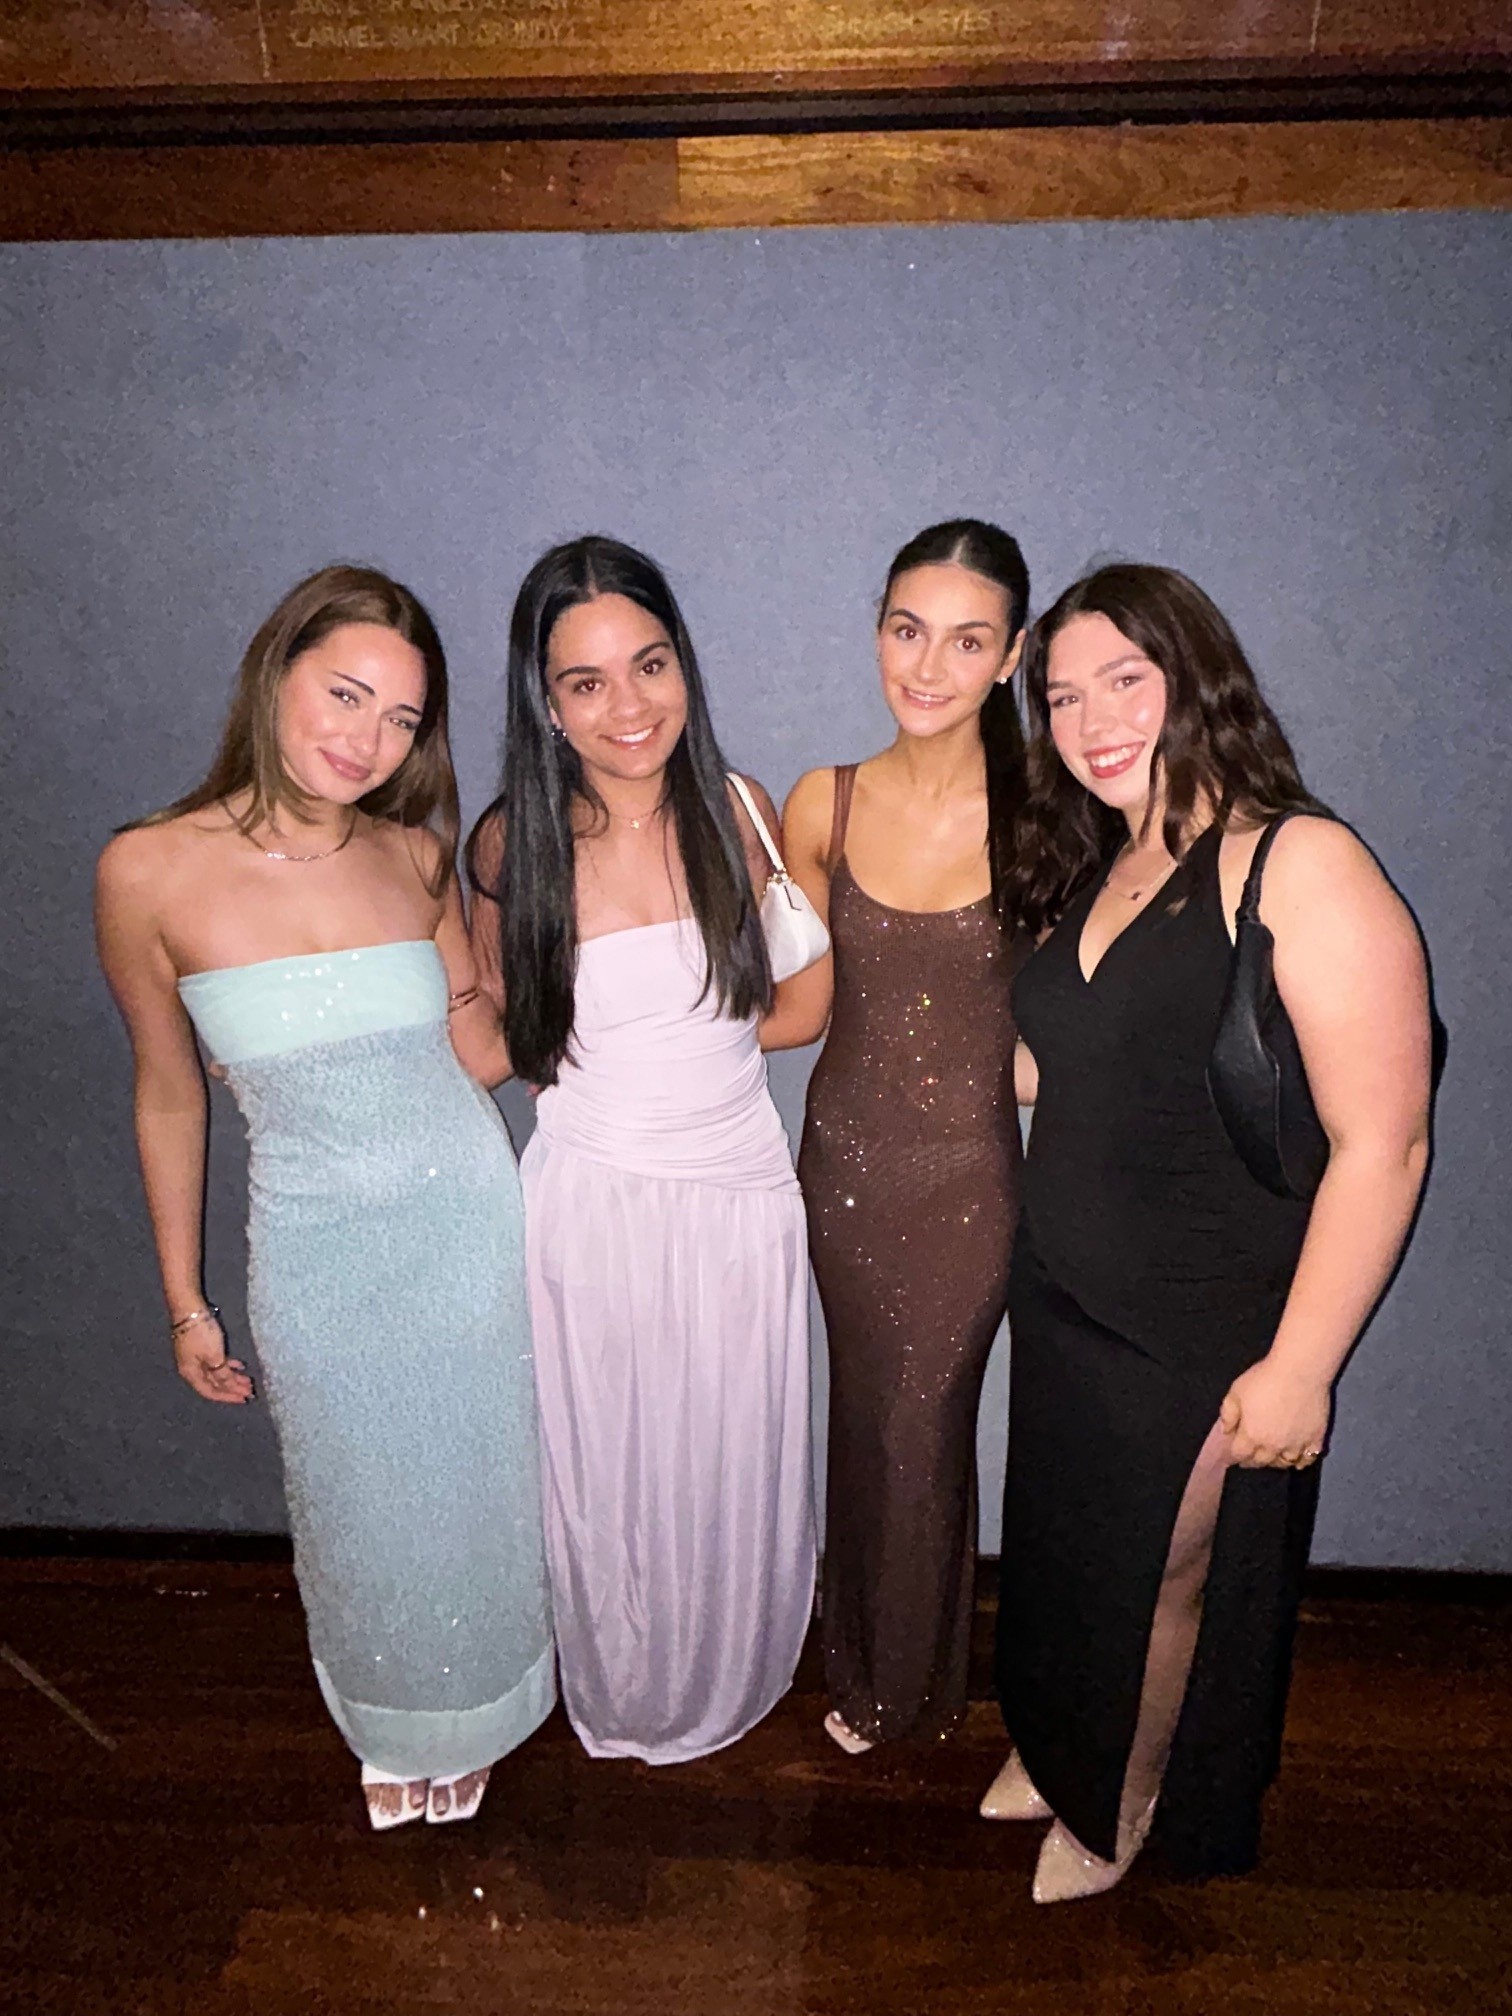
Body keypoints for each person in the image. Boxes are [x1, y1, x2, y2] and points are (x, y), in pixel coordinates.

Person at [982, 563, 1432, 1899]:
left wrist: (1302, 1368)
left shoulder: (1302, 862)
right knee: (1066, 1555)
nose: (1093, 720)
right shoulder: (1108, 861)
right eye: (1065, 698)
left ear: (1199, 678)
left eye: (1126, 679)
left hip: (1201, 1320)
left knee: (1162, 1574)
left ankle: (1121, 1800)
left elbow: (1385, 1142)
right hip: (1064, 1295)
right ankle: (1058, 1745)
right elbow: (1079, 1059)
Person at [95, 565, 554, 1831]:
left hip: (463, 1223)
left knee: (477, 1484)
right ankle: (393, 1717)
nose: (368, 739)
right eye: (345, 695)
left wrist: (580, 978)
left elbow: (477, 1048)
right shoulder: (145, 870)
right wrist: (185, 1303)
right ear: (276, 673)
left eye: (401, 718)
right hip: (314, 1245)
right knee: (355, 1502)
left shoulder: (413, 854)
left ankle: (489, 1707)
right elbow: (168, 1095)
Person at [467, 535, 814, 1764]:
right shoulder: (511, 845)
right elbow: (496, 1041)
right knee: (608, 1464)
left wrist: (687, 1044)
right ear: (546, 702)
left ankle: (724, 1668)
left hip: (738, 1190)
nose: (628, 706)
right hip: (594, 1199)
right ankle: (624, 1682)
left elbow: (804, 1004)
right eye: (586, 681)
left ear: (683, 664)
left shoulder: (740, 810)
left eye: (650, 664)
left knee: (725, 1454)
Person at [763, 520, 1030, 1751]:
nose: (928, 667)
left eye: (968, 641)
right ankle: (866, 1660)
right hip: (845, 1171)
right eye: (907, 630)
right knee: (867, 1418)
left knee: (924, 1420)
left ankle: (903, 1686)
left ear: (1012, 657)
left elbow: (1065, 1025)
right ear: (876, 628)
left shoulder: (1051, 813)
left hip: (970, 1184)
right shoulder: (824, 800)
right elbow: (796, 1006)